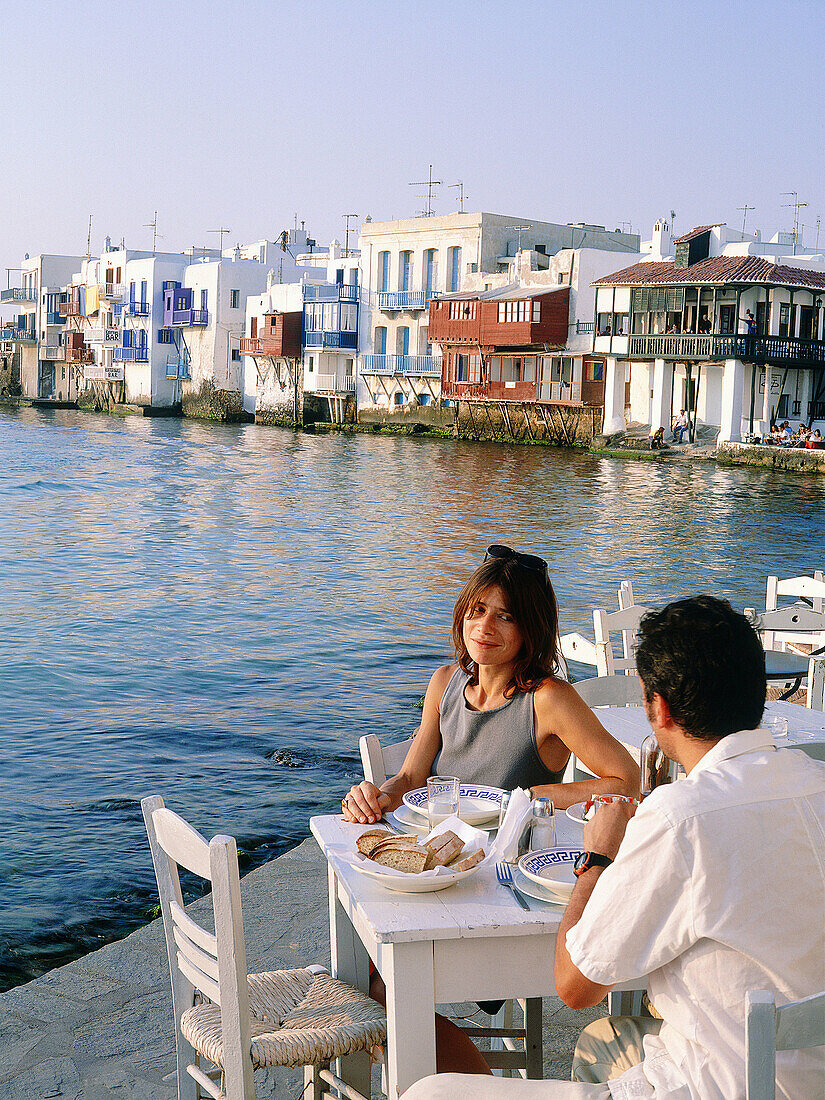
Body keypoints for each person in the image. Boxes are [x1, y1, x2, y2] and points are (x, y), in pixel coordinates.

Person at [406, 596, 825, 1099]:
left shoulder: (679, 819)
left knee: (429, 1093)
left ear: (659, 707)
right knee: (604, 1042)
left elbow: (575, 985)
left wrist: (597, 859)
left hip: (722, 1086)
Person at [342, 546, 640, 1075]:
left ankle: (474, 1086)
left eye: (505, 615)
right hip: (443, 871)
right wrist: (376, 794)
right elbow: (411, 777)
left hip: (504, 890)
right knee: (367, 979)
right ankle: (459, 1079)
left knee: (382, 987)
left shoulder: (548, 699)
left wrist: (541, 796)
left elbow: (624, 777)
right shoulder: (445, 684)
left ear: (531, 628)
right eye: (477, 610)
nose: (485, 626)